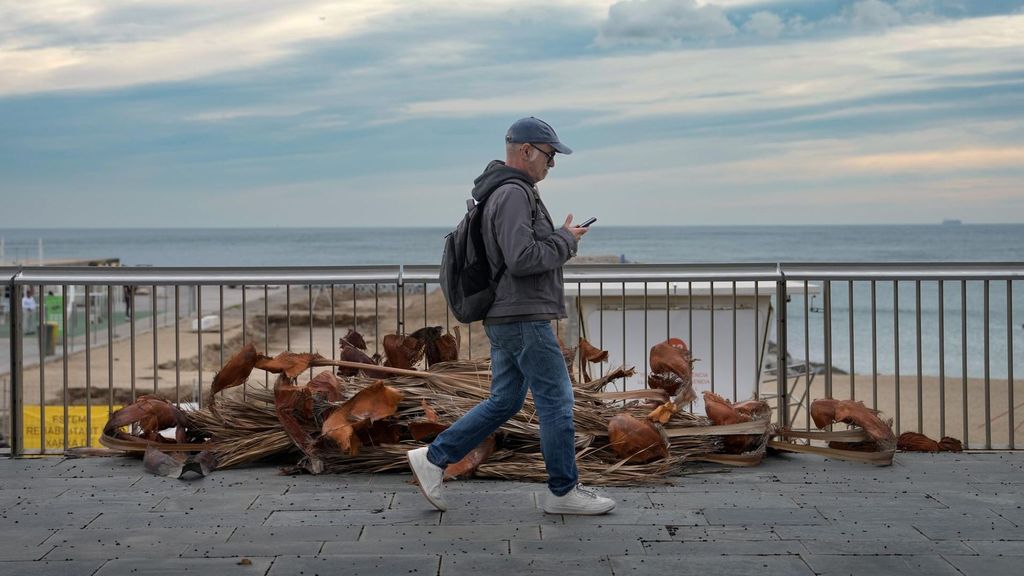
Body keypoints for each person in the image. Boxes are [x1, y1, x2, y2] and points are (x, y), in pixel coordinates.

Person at [407, 117, 615, 515]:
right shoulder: (514, 194)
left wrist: (557, 237)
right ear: (525, 151)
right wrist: (565, 242)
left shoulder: (503, 193)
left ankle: (434, 458)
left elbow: (515, 252)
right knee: (557, 401)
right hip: (522, 317)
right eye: (550, 156)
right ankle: (563, 491)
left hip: (508, 315)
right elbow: (521, 260)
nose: (551, 165)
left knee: (505, 401)